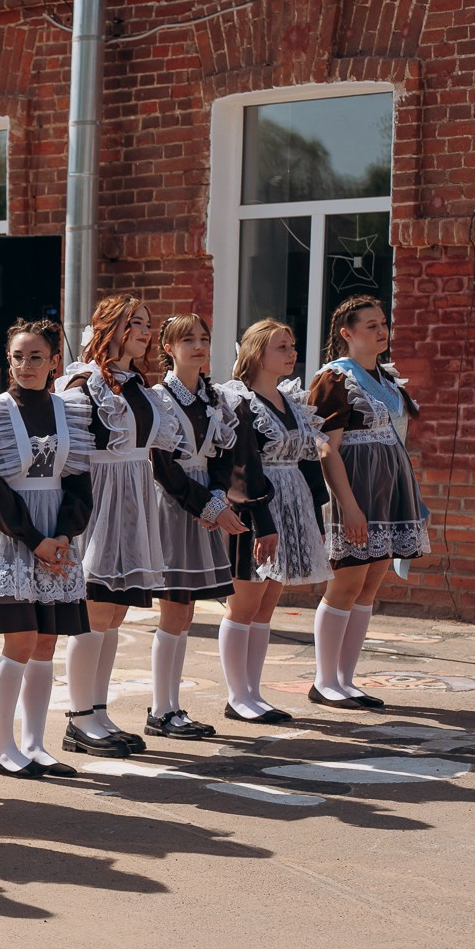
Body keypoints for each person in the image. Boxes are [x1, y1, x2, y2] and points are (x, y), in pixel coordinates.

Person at [0, 319, 92, 778]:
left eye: (36, 356)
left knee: (46, 641)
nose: (25, 365)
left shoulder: (71, 411)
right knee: (19, 639)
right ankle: (3, 747)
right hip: (10, 530)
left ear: (54, 361)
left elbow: (79, 480)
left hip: (56, 530)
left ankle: (36, 744)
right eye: (18, 357)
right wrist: (34, 539)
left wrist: (63, 535)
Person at [142, 314, 276, 740]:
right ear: (168, 346)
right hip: (171, 505)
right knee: (174, 607)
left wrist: (217, 498)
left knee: (185, 612)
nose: (198, 346)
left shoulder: (214, 398)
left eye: (204, 338)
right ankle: (162, 710)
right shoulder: (157, 398)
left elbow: (223, 457)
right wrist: (206, 504)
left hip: (204, 503)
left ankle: (170, 708)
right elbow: (162, 468)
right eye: (187, 340)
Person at [54, 295, 175, 758]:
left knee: (116, 610)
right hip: (100, 497)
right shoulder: (83, 384)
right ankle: (79, 718)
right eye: (136, 323)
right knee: (95, 611)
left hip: (133, 495)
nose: (146, 331)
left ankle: (98, 710)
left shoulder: (139, 384)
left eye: (147, 323)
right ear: (111, 328)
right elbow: (68, 454)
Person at [307, 294, 429, 709]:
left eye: (383, 323)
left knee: (370, 583)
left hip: (389, 487)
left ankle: (346, 679)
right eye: (372, 325)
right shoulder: (335, 378)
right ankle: (324, 681)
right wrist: (348, 505)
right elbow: (326, 449)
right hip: (354, 486)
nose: (382, 331)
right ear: (347, 333)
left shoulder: (387, 377)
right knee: (347, 580)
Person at [220, 319, 331, 723]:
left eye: (292, 345)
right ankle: (237, 696)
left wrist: (317, 515)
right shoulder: (238, 401)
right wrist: (259, 519)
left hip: (294, 506)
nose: (291, 352)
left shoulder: (292, 400)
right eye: (281, 347)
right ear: (256, 355)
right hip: (256, 507)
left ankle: (253, 691)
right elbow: (241, 469)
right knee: (243, 605)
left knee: (266, 607)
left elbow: (309, 462)